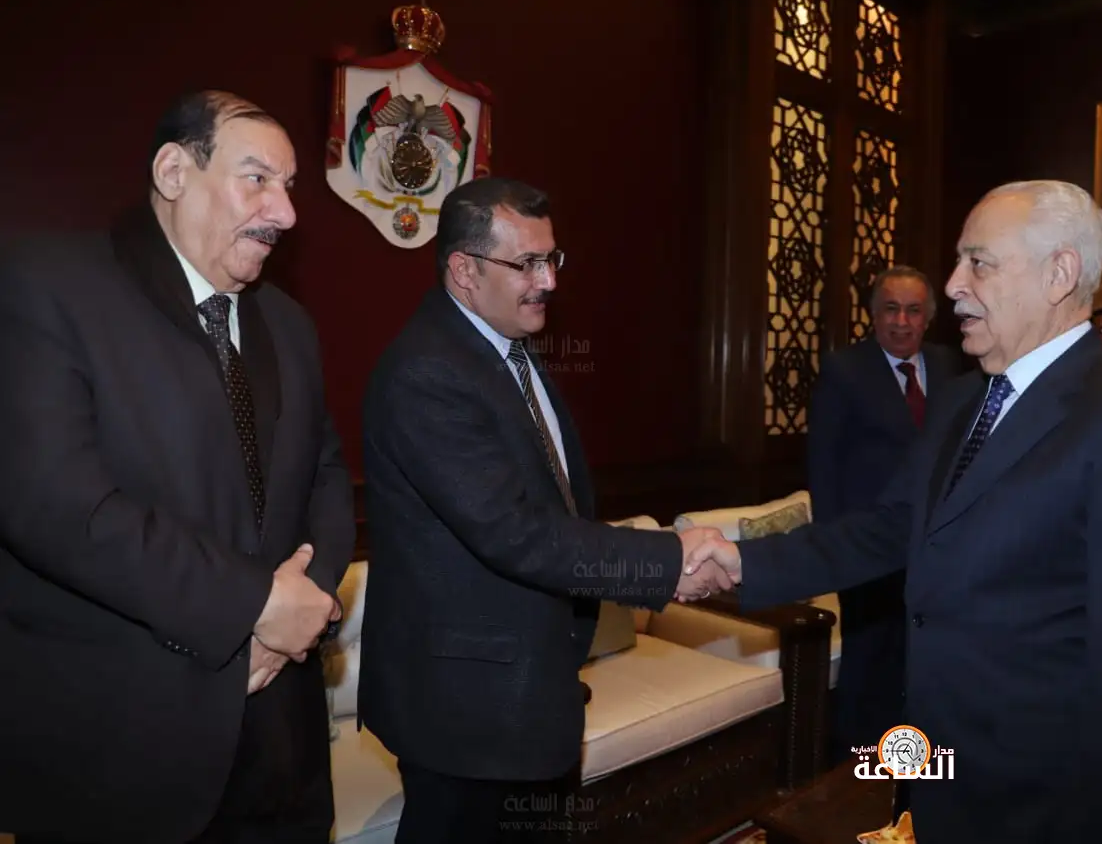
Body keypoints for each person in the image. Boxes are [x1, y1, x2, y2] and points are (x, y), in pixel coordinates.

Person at [689, 180, 1102, 844]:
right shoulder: (961, 400)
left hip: (1045, 801)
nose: (953, 285)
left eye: (979, 262)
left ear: (1059, 273)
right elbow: (891, 528)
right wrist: (743, 560)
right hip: (937, 770)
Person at [0, 90, 355, 844]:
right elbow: (57, 506)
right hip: (121, 757)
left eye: (289, 186)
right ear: (173, 172)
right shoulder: (46, 286)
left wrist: (304, 607)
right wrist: (255, 604)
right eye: (257, 179)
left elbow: (326, 475)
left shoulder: (289, 323)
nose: (286, 212)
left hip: (281, 749)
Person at [358, 176, 726, 844]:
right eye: (526, 263)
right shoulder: (427, 372)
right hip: (467, 711)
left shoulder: (507, 351)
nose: (549, 281)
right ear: (464, 270)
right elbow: (515, 532)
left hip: (527, 693)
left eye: (552, 259)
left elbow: (556, 505)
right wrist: (669, 559)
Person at [806, 265, 960, 758]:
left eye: (913, 310)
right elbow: (823, 466)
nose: (901, 321)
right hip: (868, 547)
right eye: (890, 309)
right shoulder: (844, 370)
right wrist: (834, 547)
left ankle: (913, 761)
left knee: (925, 658)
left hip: (936, 547)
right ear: (873, 315)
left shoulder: (951, 366)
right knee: (870, 660)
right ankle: (859, 769)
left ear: (928, 318)